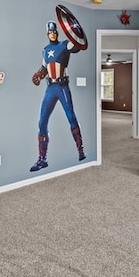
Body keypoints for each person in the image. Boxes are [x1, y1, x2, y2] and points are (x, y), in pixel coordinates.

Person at [29, 21, 85, 172]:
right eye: (50, 32)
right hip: (50, 88)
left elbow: (78, 46)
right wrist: (39, 75)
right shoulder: (45, 50)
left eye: (54, 32)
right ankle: (42, 159)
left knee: (71, 117)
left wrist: (75, 33)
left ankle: (81, 151)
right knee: (42, 122)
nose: (53, 34)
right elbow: (44, 67)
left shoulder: (64, 44)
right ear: (47, 33)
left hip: (62, 87)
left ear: (57, 33)